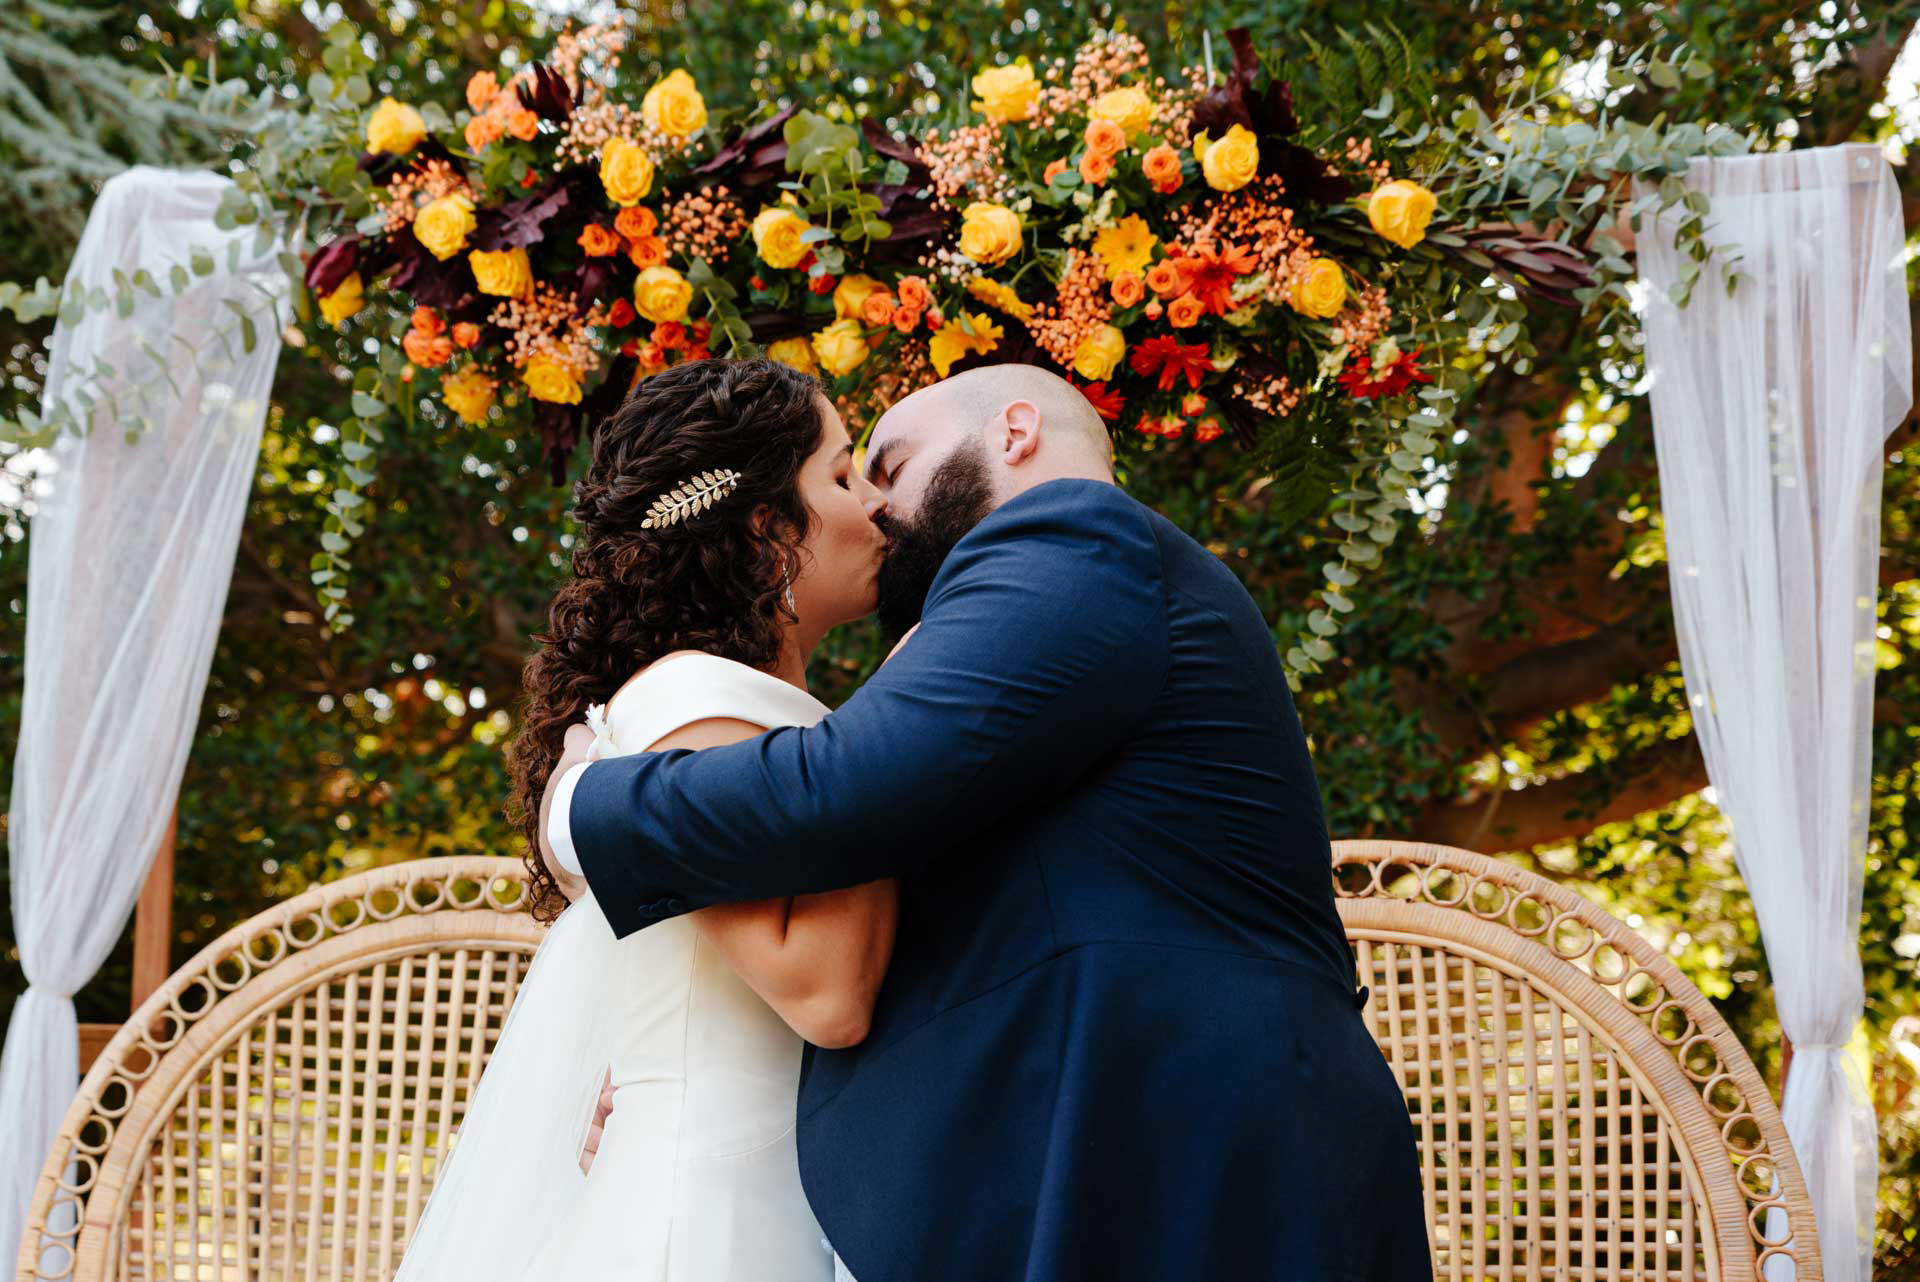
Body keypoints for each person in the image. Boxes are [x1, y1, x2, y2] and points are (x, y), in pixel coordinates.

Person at [541, 364, 1432, 1281]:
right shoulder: (1000, 657)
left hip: (1196, 1154)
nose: (877, 506)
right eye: (851, 476)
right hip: (1112, 1157)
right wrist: (698, 1061)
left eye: (888, 463)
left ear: (1013, 434)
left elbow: (847, 791)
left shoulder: (1073, 538)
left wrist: (578, 808)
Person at [391, 357, 897, 1281]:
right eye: (839, 475)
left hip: (773, 1202)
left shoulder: (750, 706)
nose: (876, 506)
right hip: (707, 1224)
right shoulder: (696, 707)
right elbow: (826, 995)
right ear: (766, 531)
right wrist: (907, 729)